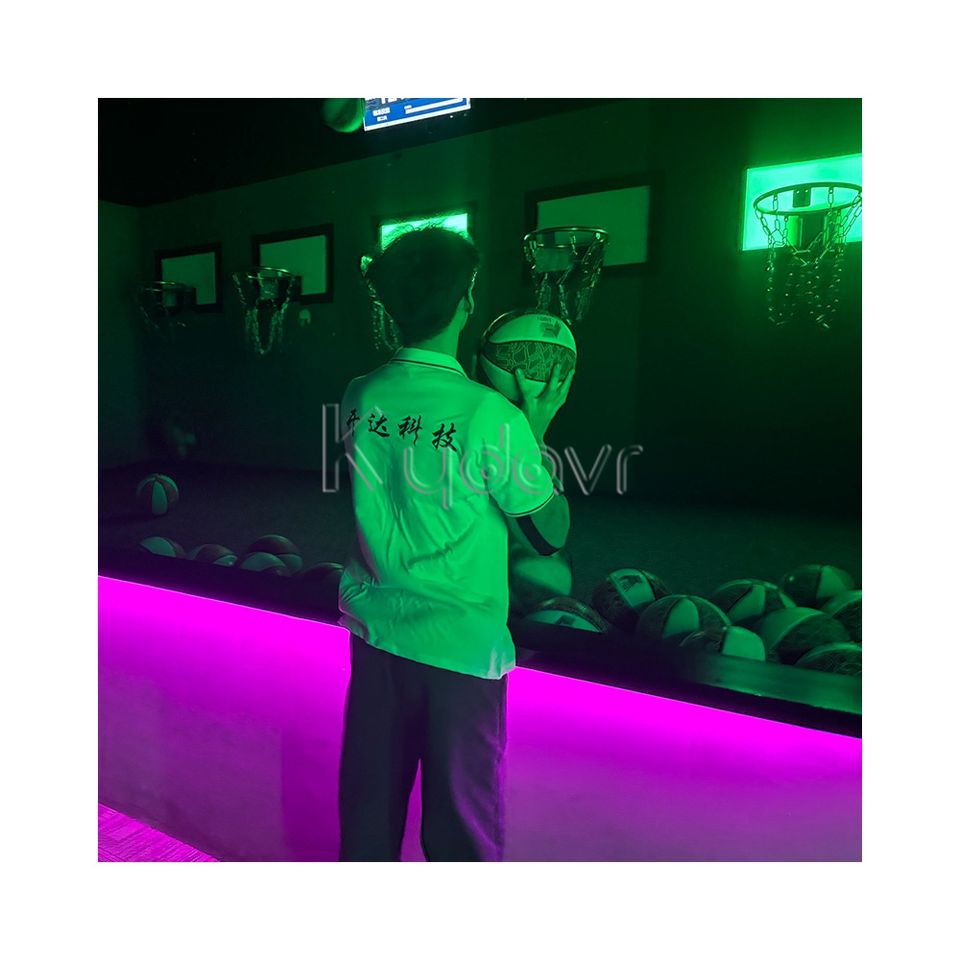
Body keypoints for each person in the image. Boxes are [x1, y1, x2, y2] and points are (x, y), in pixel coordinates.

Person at [337, 227, 572, 861]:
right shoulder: (491, 415)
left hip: (375, 637)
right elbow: (547, 533)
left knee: (366, 821)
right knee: (461, 835)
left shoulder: (360, 393)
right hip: (460, 654)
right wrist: (537, 429)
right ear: (467, 301)